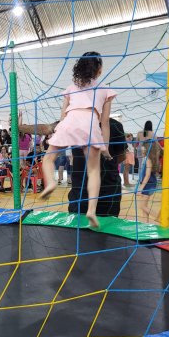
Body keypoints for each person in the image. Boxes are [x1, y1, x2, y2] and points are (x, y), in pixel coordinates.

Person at [40, 51, 116, 228]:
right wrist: (105, 148)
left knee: (48, 159)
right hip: (90, 123)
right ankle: (91, 211)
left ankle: (51, 183)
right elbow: (105, 123)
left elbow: (63, 116)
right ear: (99, 70)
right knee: (93, 171)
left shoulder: (71, 87)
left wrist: (59, 132)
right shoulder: (105, 89)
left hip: (70, 121)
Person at [68, 118, 127, 217]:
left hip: (103, 189)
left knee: (83, 223)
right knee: (104, 225)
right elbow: (122, 156)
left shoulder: (114, 125)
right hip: (89, 189)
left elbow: (122, 156)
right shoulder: (74, 122)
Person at [137, 140, 161, 223]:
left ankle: (160, 218)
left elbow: (147, 175)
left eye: (143, 147)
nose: (141, 148)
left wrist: (141, 188)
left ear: (147, 148)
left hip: (148, 184)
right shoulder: (150, 158)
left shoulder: (148, 159)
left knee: (142, 206)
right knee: (144, 206)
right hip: (150, 183)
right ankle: (145, 223)